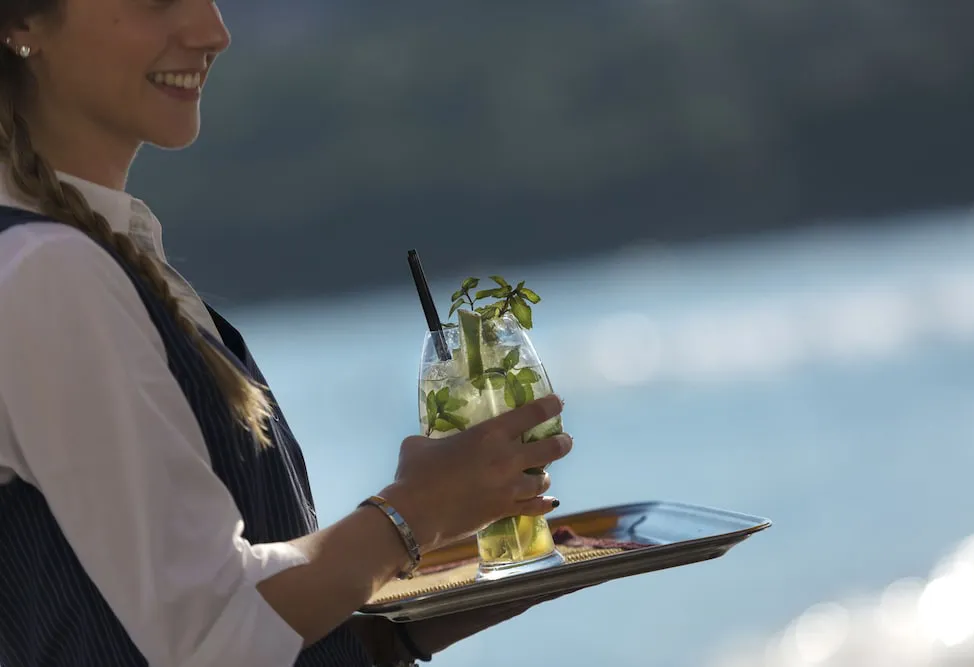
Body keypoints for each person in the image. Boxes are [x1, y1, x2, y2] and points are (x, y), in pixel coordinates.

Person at [0, 1, 574, 666]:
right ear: (20, 22)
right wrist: (417, 510)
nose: (213, 33)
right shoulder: (47, 271)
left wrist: (405, 618)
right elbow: (211, 632)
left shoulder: (80, 255)